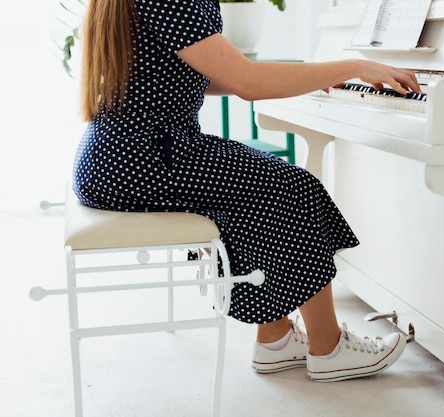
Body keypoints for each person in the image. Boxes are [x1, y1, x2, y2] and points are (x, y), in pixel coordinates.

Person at [74, 0, 421, 382]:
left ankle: (276, 339)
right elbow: (248, 82)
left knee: (248, 190)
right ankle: (330, 348)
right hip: (146, 158)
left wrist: (310, 75)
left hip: (119, 159)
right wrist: (355, 65)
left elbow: (199, 73)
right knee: (292, 187)